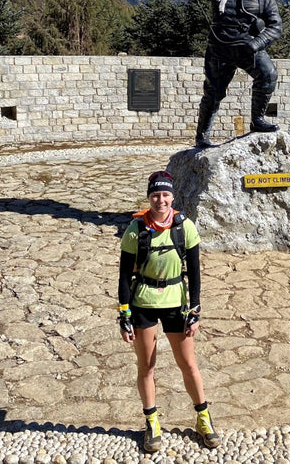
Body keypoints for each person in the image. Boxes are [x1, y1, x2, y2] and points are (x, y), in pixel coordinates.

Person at [118, 170, 220, 452]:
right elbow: (124, 276)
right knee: (146, 367)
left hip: (177, 303)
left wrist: (195, 310)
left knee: (188, 364)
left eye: (164, 194)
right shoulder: (135, 230)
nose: (160, 200)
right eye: (155, 195)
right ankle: (151, 422)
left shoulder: (184, 227)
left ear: (172, 197)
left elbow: (196, 273)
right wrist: (124, 315)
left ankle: (203, 417)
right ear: (149, 197)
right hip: (143, 304)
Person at [174, 0, 283, 147]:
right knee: (213, 93)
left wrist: (256, 44)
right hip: (219, 51)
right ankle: (202, 136)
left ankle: (258, 120)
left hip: (248, 49)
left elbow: (275, 26)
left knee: (268, 74)